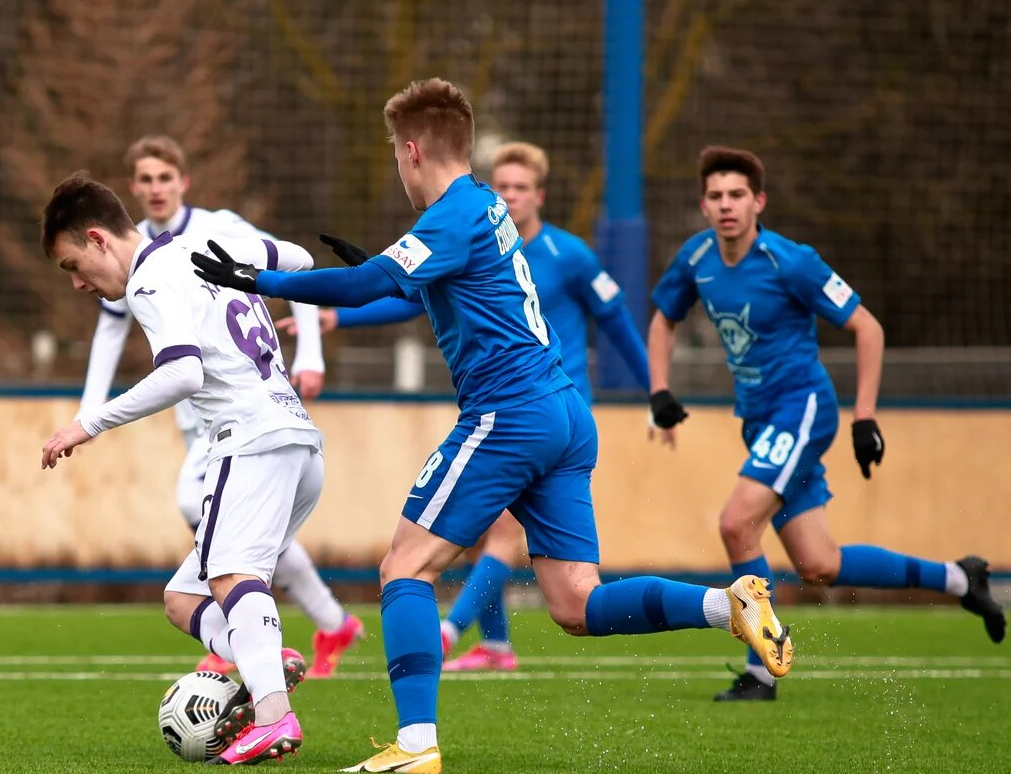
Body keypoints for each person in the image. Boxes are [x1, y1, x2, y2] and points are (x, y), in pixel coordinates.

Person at [191, 78, 795, 774]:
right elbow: (424, 286)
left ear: (412, 151)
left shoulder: (450, 215)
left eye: (396, 153)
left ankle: (415, 747)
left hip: (509, 414)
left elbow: (371, 287)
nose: (397, 165)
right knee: (574, 600)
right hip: (565, 412)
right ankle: (727, 605)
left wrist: (256, 281)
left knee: (404, 567)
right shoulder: (484, 209)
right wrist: (385, 272)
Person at [646, 145, 1007, 702]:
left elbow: (868, 328)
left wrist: (864, 416)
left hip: (803, 409)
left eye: (737, 195)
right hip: (760, 421)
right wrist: (660, 391)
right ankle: (962, 578)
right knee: (819, 564)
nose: (726, 205)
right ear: (703, 204)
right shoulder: (696, 259)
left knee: (736, 524)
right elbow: (664, 319)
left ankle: (762, 671)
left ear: (758, 201)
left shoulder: (791, 260)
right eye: (715, 196)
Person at [278, 141, 654, 673]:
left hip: (529, 413)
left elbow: (616, 320)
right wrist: (344, 316)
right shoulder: (483, 233)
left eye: (520, 188)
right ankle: (498, 643)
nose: (509, 196)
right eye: (501, 185)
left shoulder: (563, 253)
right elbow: (422, 295)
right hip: (548, 415)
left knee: (441, 552)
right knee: (567, 596)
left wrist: (656, 393)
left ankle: (447, 639)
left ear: (539, 195)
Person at [40, 172, 323, 764]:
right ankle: (266, 666)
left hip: (247, 441)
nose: (76, 284)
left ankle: (274, 716)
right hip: (297, 440)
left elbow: (183, 373)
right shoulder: (209, 241)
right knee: (182, 598)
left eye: (72, 265)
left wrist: (87, 424)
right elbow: (295, 258)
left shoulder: (147, 279)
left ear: (97, 239)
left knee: (228, 578)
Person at [79, 135, 362, 680]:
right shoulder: (122, 258)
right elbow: (108, 336)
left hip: (243, 422)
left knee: (211, 528)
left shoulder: (218, 230)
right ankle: (301, 626)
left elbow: (292, 271)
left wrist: (311, 353)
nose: (156, 188)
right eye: (146, 180)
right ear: (133, 188)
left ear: (183, 182)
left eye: (166, 177)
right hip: (213, 424)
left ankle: (250, 640)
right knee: (230, 542)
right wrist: (86, 415)